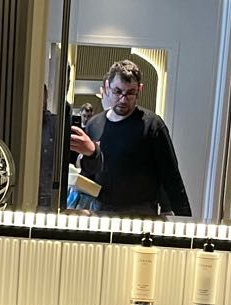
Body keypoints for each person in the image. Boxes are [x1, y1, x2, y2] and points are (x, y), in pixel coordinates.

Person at [72, 59, 192, 217]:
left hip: (141, 212)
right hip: (100, 210)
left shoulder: (152, 125)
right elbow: (89, 172)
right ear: (107, 87)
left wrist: (183, 219)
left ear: (139, 90)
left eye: (130, 93)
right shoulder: (94, 124)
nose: (123, 99)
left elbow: (171, 176)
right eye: (117, 92)